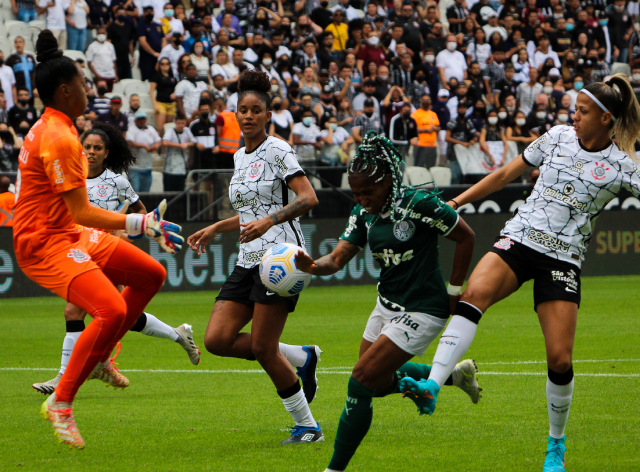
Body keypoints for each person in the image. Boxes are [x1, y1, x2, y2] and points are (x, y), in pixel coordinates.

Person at [401, 75, 640, 472]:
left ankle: (555, 446)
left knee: (560, 360)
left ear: (605, 118)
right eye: (574, 110)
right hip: (519, 239)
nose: (574, 117)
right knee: (473, 296)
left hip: (562, 261)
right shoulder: (557, 137)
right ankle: (432, 385)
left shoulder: (624, 165)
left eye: (582, 112)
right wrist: (455, 202)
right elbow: (502, 175)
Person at [16, 30, 181, 449]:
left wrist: (140, 226)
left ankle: (101, 355)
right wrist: (141, 224)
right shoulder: (59, 138)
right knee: (108, 307)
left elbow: (75, 217)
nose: (92, 89)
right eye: (85, 83)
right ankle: (62, 401)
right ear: (66, 90)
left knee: (150, 275)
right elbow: (81, 211)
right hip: (44, 241)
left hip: (66, 232)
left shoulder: (56, 127)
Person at [296, 133, 479, 472]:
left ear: (390, 180)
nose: (363, 199)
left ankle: (333, 469)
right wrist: (311, 266)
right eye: (356, 193)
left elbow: (465, 236)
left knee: (361, 378)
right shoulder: (363, 215)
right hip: (385, 305)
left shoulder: (419, 204)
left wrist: (455, 292)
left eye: (369, 191)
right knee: (377, 384)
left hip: (423, 308)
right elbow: (336, 259)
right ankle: (452, 377)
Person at [187, 69, 325, 444]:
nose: (247, 116)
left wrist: (270, 221)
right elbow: (250, 214)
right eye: (241, 110)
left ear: (267, 115)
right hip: (247, 259)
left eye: (255, 110)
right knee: (216, 339)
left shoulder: (279, 149)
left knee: (264, 349)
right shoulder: (238, 157)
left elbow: (308, 197)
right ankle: (301, 357)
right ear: (235, 114)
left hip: (281, 260)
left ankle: (308, 426)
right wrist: (218, 227)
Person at [32, 122, 200, 395]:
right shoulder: (72, 177)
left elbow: (140, 210)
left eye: (97, 148)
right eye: (87, 147)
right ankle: (177, 334)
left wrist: (124, 231)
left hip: (106, 251)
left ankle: (63, 379)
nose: (91, 152)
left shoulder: (116, 181)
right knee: (123, 315)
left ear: (107, 153)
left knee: (75, 311)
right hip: (81, 252)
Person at [126, 110, 161, 192]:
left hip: (147, 167)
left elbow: (159, 141)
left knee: (146, 193)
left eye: (143, 119)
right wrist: (144, 146)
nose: (141, 121)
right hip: (134, 168)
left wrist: (155, 146)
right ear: (135, 120)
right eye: (139, 119)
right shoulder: (131, 129)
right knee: (135, 192)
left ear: (146, 119)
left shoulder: (151, 129)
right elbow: (130, 142)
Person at [445, 101, 478, 184]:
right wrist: (461, 143)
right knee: (455, 175)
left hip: (466, 154)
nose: (462, 109)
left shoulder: (468, 122)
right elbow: (447, 137)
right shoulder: (453, 121)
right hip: (454, 153)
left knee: (465, 175)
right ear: (457, 109)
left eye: (464, 108)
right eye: (460, 108)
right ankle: (452, 195)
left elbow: (475, 135)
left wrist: (473, 140)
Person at [162, 113, 196, 192]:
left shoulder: (187, 131)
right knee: (169, 191)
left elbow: (194, 142)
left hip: (182, 168)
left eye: (182, 123)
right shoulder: (170, 131)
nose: (180, 125)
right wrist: (179, 145)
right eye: (179, 123)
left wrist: (186, 144)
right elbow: (165, 142)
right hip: (170, 168)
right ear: (175, 123)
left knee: (180, 191)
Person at [411, 94, 440, 169]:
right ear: (421, 101)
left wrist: (435, 128)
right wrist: (426, 130)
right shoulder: (416, 114)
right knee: (419, 168)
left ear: (430, 101)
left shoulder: (433, 114)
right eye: (424, 100)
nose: (426, 101)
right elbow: (412, 129)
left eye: (428, 100)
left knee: (431, 168)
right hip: (420, 145)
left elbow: (438, 127)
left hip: (432, 145)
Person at [138, 6, 166, 82]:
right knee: (148, 80)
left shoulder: (158, 25)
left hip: (159, 58)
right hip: (147, 59)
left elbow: (163, 39)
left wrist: (162, 53)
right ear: (143, 13)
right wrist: (153, 53)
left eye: (151, 11)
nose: (149, 13)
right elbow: (142, 42)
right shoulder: (141, 26)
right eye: (147, 11)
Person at [150, 58, 177, 133]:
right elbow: (151, 91)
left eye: (167, 63)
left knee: (168, 128)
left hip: (171, 104)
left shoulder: (172, 77)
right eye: (163, 64)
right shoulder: (156, 76)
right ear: (160, 66)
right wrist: (155, 104)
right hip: (161, 103)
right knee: (160, 128)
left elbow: (176, 88)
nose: (165, 65)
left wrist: (175, 93)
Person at [87, 28, 118, 92]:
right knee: (101, 94)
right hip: (100, 76)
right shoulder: (92, 46)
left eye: (103, 33)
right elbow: (89, 63)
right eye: (99, 33)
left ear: (106, 34)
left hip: (111, 75)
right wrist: (97, 75)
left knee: (109, 95)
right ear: (96, 34)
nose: (101, 35)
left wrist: (115, 74)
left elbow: (114, 61)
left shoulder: (110, 46)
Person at [6, 37, 36, 102]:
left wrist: (35, 87)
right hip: (18, 94)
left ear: (24, 44)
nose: (18, 44)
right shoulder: (11, 59)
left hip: (30, 93)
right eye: (16, 42)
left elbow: (35, 74)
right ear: (14, 45)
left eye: (20, 42)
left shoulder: (30, 57)